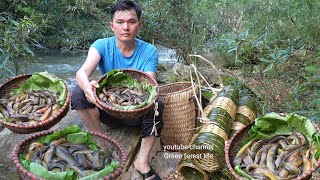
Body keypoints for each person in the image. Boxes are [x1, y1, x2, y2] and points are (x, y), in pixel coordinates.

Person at [71, 1, 163, 180]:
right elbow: (82, 72)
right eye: (120, 22)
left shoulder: (149, 51)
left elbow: (150, 84)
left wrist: (140, 101)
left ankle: (141, 162)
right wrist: (88, 86)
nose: (126, 27)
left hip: (137, 113)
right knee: (77, 92)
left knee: (157, 103)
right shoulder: (101, 45)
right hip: (108, 111)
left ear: (139, 25)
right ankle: (101, 139)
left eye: (131, 21)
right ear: (112, 26)